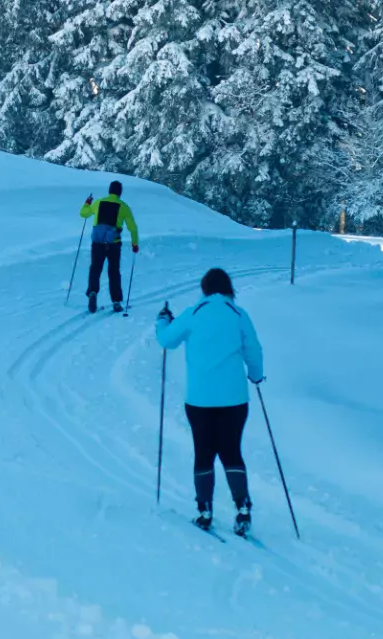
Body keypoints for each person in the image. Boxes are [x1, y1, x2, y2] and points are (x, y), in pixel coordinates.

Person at [155, 268, 265, 535]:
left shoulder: (193, 313)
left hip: (199, 400)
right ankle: (242, 507)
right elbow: (253, 349)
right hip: (235, 399)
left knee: (203, 451)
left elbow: (167, 340)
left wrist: (162, 320)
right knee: (231, 451)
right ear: (229, 289)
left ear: (204, 288)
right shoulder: (238, 315)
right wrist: (256, 375)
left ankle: (204, 510)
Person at [79, 180, 140, 313]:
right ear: (120, 192)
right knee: (113, 272)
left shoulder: (98, 202)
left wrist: (87, 203)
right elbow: (133, 228)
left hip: (97, 242)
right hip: (114, 244)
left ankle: (93, 292)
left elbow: (83, 214)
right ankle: (116, 301)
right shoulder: (123, 206)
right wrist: (135, 244)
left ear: (109, 190)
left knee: (95, 268)